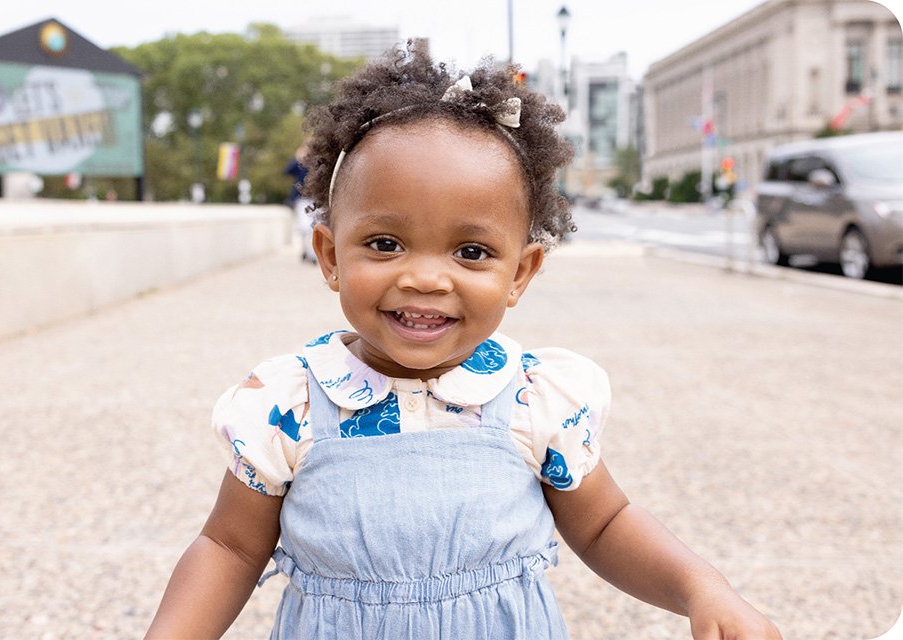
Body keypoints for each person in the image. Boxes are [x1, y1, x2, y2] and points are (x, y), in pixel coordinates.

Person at [146, 42, 782, 640]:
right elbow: (229, 546)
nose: (424, 277)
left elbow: (605, 522)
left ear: (520, 274)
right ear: (330, 255)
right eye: (385, 244)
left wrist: (702, 587)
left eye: (471, 251)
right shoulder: (289, 405)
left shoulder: (535, 399)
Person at [285, 141, 317, 264]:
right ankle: (308, 252)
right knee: (304, 228)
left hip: (316, 199)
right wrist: (298, 159)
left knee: (313, 227)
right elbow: (287, 171)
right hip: (302, 200)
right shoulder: (300, 164)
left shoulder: (318, 163)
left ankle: (310, 253)